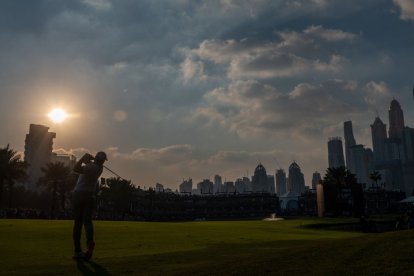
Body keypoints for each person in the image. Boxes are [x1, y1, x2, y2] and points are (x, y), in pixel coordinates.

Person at [72, 151, 107, 261]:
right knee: (87, 221)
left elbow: (76, 168)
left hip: (79, 194)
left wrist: (83, 158)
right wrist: (89, 160)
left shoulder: (90, 167)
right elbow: (89, 165)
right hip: (90, 195)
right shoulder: (99, 169)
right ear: (103, 161)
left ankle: (78, 251)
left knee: (78, 223)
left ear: (96, 158)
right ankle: (90, 241)